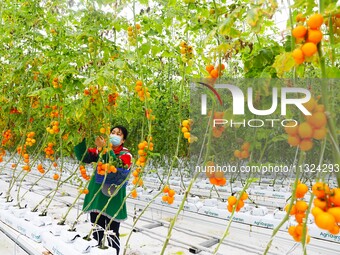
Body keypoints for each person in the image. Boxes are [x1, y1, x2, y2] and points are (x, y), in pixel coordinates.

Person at [74, 125, 132, 254]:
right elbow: (83, 157)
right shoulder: (99, 150)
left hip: (113, 198)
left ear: (123, 140)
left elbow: (113, 167)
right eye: (112, 132)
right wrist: (80, 139)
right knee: (97, 230)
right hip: (97, 196)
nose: (115, 135)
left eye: (119, 134)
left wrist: (105, 148)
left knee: (112, 233)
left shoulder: (126, 155)